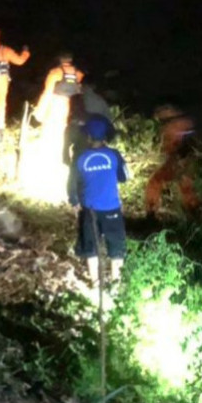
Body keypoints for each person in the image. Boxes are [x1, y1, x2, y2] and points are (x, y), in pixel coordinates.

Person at [69, 115, 129, 287]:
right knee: (116, 248)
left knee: (91, 247)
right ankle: (116, 285)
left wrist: (74, 201)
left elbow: (72, 181)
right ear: (105, 138)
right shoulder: (114, 155)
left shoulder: (80, 157)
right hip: (112, 208)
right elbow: (124, 177)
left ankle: (96, 284)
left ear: (88, 137)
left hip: (90, 210)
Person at [145, 104, 199, 219]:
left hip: (178, 160)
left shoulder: (179, 125)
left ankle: (151, 212)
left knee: (156, 182)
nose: (158, 116)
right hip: (177, 159)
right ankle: (194, 212)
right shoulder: (175, 124)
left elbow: (187, 143)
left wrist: (181, 158)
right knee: (186, 187)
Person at [35, 52, 85, 129]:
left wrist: (40, 112)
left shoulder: (55, 72)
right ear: (71, 60)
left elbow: (47, 92)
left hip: (56, 107)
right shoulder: (79, 74)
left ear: (59, 60)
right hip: (71, 108)